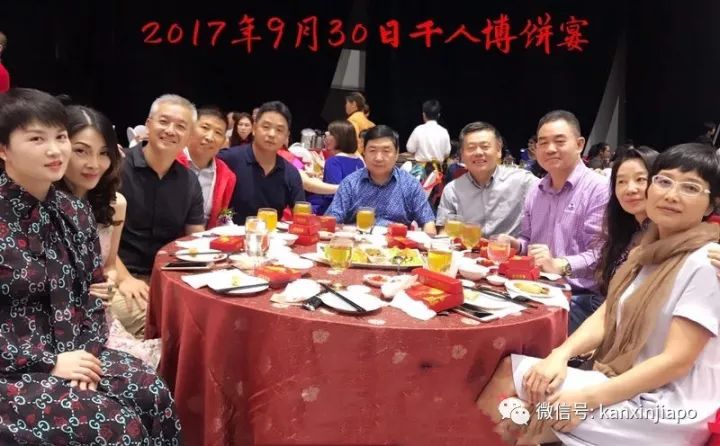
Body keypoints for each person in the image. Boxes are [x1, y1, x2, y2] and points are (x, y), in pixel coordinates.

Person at [477, 143, 720, 446]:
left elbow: (676, 361)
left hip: (667, 409)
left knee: (517, 394)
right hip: (628, 384)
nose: (672, 194)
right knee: (523, 406)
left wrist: (588, 398)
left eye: (690, 187)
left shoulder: (705, 262)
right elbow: (608, 312)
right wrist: (560, 355)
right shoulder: (647, 252)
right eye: (664, 181)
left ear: (710, 206)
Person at [0, 88, 180, 443]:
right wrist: (48, 362)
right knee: (113, 427)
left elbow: (92, 296)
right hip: (11, 367)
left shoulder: (75, 211)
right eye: (37, 139)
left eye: (60, 137)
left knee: (151, 392)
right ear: (3, 149)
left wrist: (86, 353)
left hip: (74, 349)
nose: (55, 150)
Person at [57, 105, 161, 365]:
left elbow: (110, 264)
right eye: (81, 151)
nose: (94, 164)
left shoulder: (115, 204)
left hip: (97, 318)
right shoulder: (43, 204)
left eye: (103, 153)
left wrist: (111, 281)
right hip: (53, 327)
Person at [501, 110, 610, 333]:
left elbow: (600, 254)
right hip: (537, 288)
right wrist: (517, 245)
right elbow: (529, 241)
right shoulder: (536, 190)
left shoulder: (598, 189)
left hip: (580, 297)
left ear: (579, 144)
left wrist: (559, 265)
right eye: (543, 143)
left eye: (559, 141)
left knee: (510, 331)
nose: (550, 149)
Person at [119, 94, 205, 276]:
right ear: (148, 124)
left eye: (181, 126)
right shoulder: (118, 167)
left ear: (189, 136)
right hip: (119, 273)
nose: (170, 131)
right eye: (164, 122)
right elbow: (97, 234)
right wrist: (125, 278)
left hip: (169, 273)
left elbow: (195, 237)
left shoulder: (189, 181)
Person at [326, 125, 437, 234]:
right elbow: (331, 220)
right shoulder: (350, 183)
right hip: (358, 242)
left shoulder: (410, 184)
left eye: (386, 151)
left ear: (396, 153)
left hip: (396, 243)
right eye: (372, 150)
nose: (378, 158)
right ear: (364, 152)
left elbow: (428, 222)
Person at [437, 122, 539, 237]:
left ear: (498, 150)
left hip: (508, 247)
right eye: (471, 148)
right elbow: (444, 232)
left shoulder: (523, 181)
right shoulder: (452, 190)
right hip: (467, 247)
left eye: (485, 147)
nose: (478, 153)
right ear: (462, 154)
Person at [218, 100, 305, 224]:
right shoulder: (229, 160)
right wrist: (226, 222)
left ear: (287, 136)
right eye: (266, 127)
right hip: (228, 232)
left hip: (271, 234)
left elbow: (301, 217)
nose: (272, 134)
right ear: (254, 128)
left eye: (279, 130)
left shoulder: (290, 173)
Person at [596, 146, 658, 296]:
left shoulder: (664, 236)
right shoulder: (628, 231)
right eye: (621, 181)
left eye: (640, 179)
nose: (630, 189)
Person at [177, 106, 237, 228]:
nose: (209, 137)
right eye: (205, 128)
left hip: (205, 237)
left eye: (218, 133)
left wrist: (228, 228)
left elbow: (225, 213)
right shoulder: (171, 160)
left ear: (224, 141)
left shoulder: (227, 176)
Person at [308, 120, 364, 214]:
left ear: (339, 139)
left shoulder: (333, 161)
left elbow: (331, 195)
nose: (325, 138)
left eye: (329, 134)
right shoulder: (359, 161)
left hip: (333, 212)